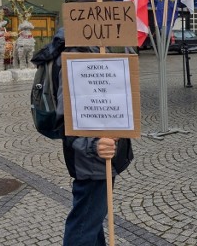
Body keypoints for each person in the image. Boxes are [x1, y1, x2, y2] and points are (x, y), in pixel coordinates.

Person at [35, 27, 134, 246]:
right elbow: (65, 120)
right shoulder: (75, 55)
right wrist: (93, 146)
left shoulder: (97, 48)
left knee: (91, 220)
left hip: (102, 154)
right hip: (92, 159)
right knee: (83, 227)